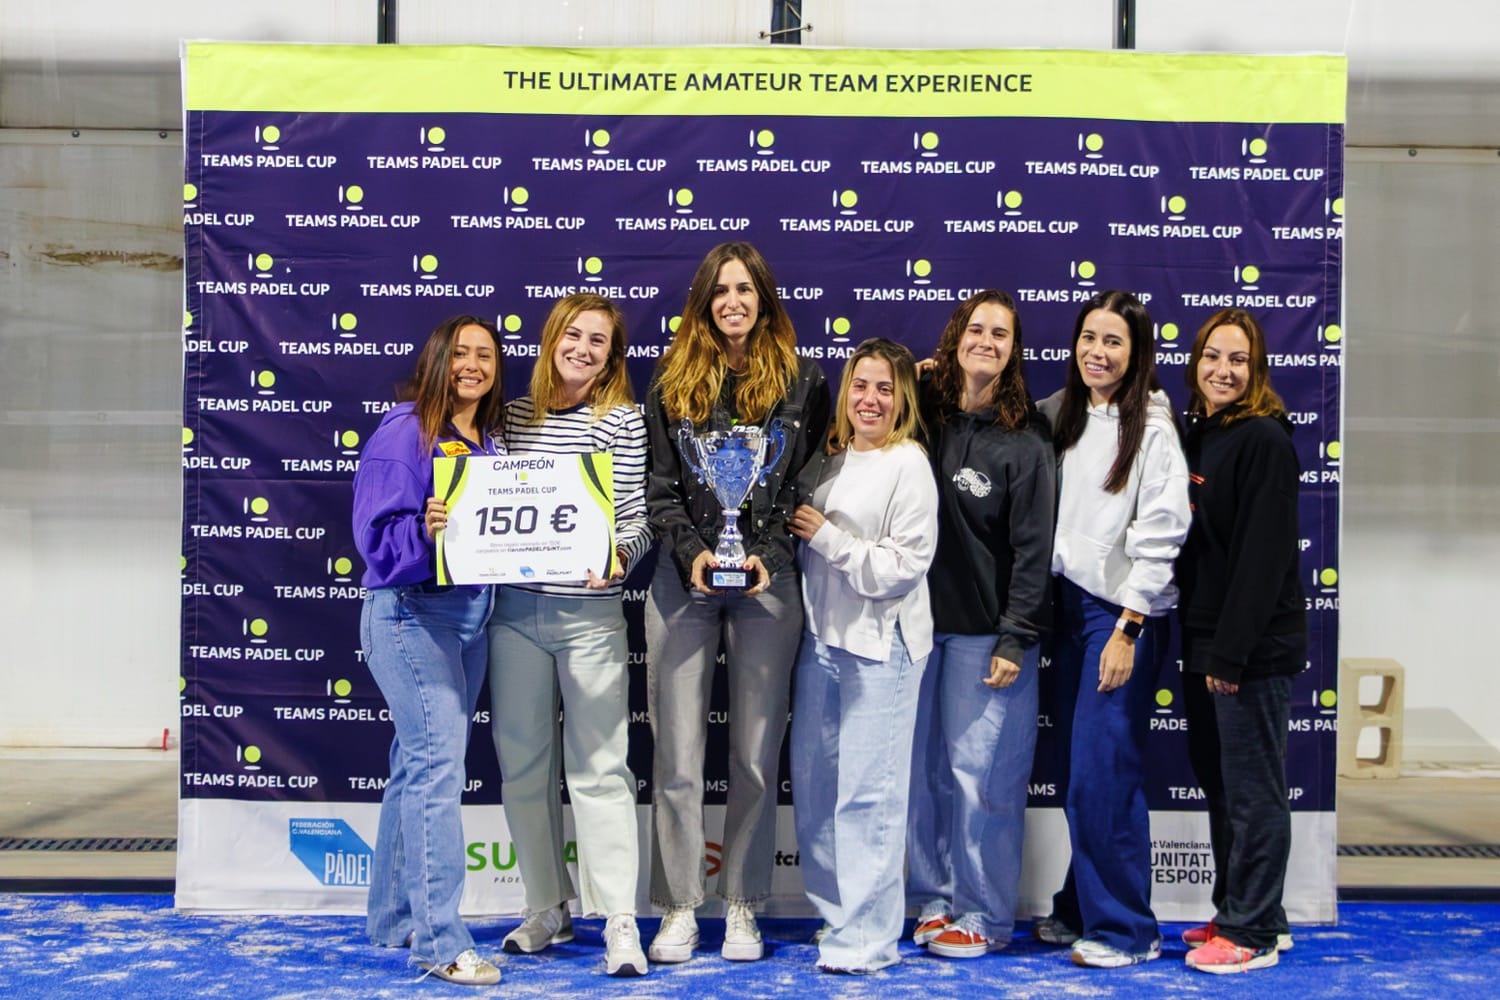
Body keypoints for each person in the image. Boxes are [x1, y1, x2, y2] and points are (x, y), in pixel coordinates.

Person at [643, 241, 832, 964]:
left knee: (755, 753)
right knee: (677, 753)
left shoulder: (804, 380)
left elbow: (807, 482)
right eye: (720, 291)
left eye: (745, 290)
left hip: (768, 582)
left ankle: (744, 905)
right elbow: (660, 487)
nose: (733, 303)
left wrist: (769, 557)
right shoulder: (670, 380)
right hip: (681, 580)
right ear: (703, 302)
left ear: (764, 300)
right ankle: (679, 906)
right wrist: (694, 552)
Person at [484, 293, 654, 977]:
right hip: (514, 615)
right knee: (524, 769)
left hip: (590, 617)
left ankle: (618, 919)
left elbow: (636, 517)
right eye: (573, 335)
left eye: (599, 341)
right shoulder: (512, 415)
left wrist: (620, 555)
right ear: (552, 338)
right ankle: (546, 905)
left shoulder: (623, 420)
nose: (583, 349)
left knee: (601, 770)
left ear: (612, 356)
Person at [1034, 290, 1190, 968]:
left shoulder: (1151, 428)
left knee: (1104, 773)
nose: (1097, 352)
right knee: (1080, 771)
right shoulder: (1068, 415)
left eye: (1113, 342)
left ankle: (1128, 930)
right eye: (1089, 338)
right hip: (1068, 607)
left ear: (1137, 352)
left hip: (1120, 615)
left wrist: (1128, 628)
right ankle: (1080, 907)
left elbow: (1162, 533)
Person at [352, 314, 506, 987]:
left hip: (469, 617)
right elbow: (375, 539)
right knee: (438, 771)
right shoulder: (404, 430)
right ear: (438, 360)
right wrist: (422, 528)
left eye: (485, 355)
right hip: (410, 613)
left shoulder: (487, 441)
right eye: (461, 353)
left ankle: (393, 919)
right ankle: (441, 941)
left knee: (415, 768)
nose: (473, 365)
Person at [906, 291, 1057, 959]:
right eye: (976, 329)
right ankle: (935, 899)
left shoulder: (1025, 440)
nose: (987, 341)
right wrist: (912, 378)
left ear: (1013, 350)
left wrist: (1015, 636)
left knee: (983, 782)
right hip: (916, 631)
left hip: (985, 637)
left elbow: (1033, 550)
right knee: (926, 778)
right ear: (955, 337)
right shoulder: (925, 417)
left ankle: (986, 915)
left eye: (1001, 334)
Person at [788, 339, 939, 973]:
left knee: (869, 797)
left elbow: (903, 568)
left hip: (884, 648)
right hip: (822, 642)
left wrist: (831, 540)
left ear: (902, 399)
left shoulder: (910, 464)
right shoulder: (830, 457)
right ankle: (838, 918)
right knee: (818, 792)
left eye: (884, 389)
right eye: (860, 386)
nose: (870, 400)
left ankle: (871, 940)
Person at [1175, 309, 1308, 974]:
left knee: (1253, 790)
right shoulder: (1202, 433)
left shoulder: (1263, 439)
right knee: (1224, 785)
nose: (1223, 371)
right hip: (1206, 638)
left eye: (1238, 360)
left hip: (1249, 648)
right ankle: (1247, 910)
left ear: (1257, 370)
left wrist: (1231, 653)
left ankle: (1250, 931)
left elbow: (1263, 558)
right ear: (1195, 362)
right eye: (1212, 356)